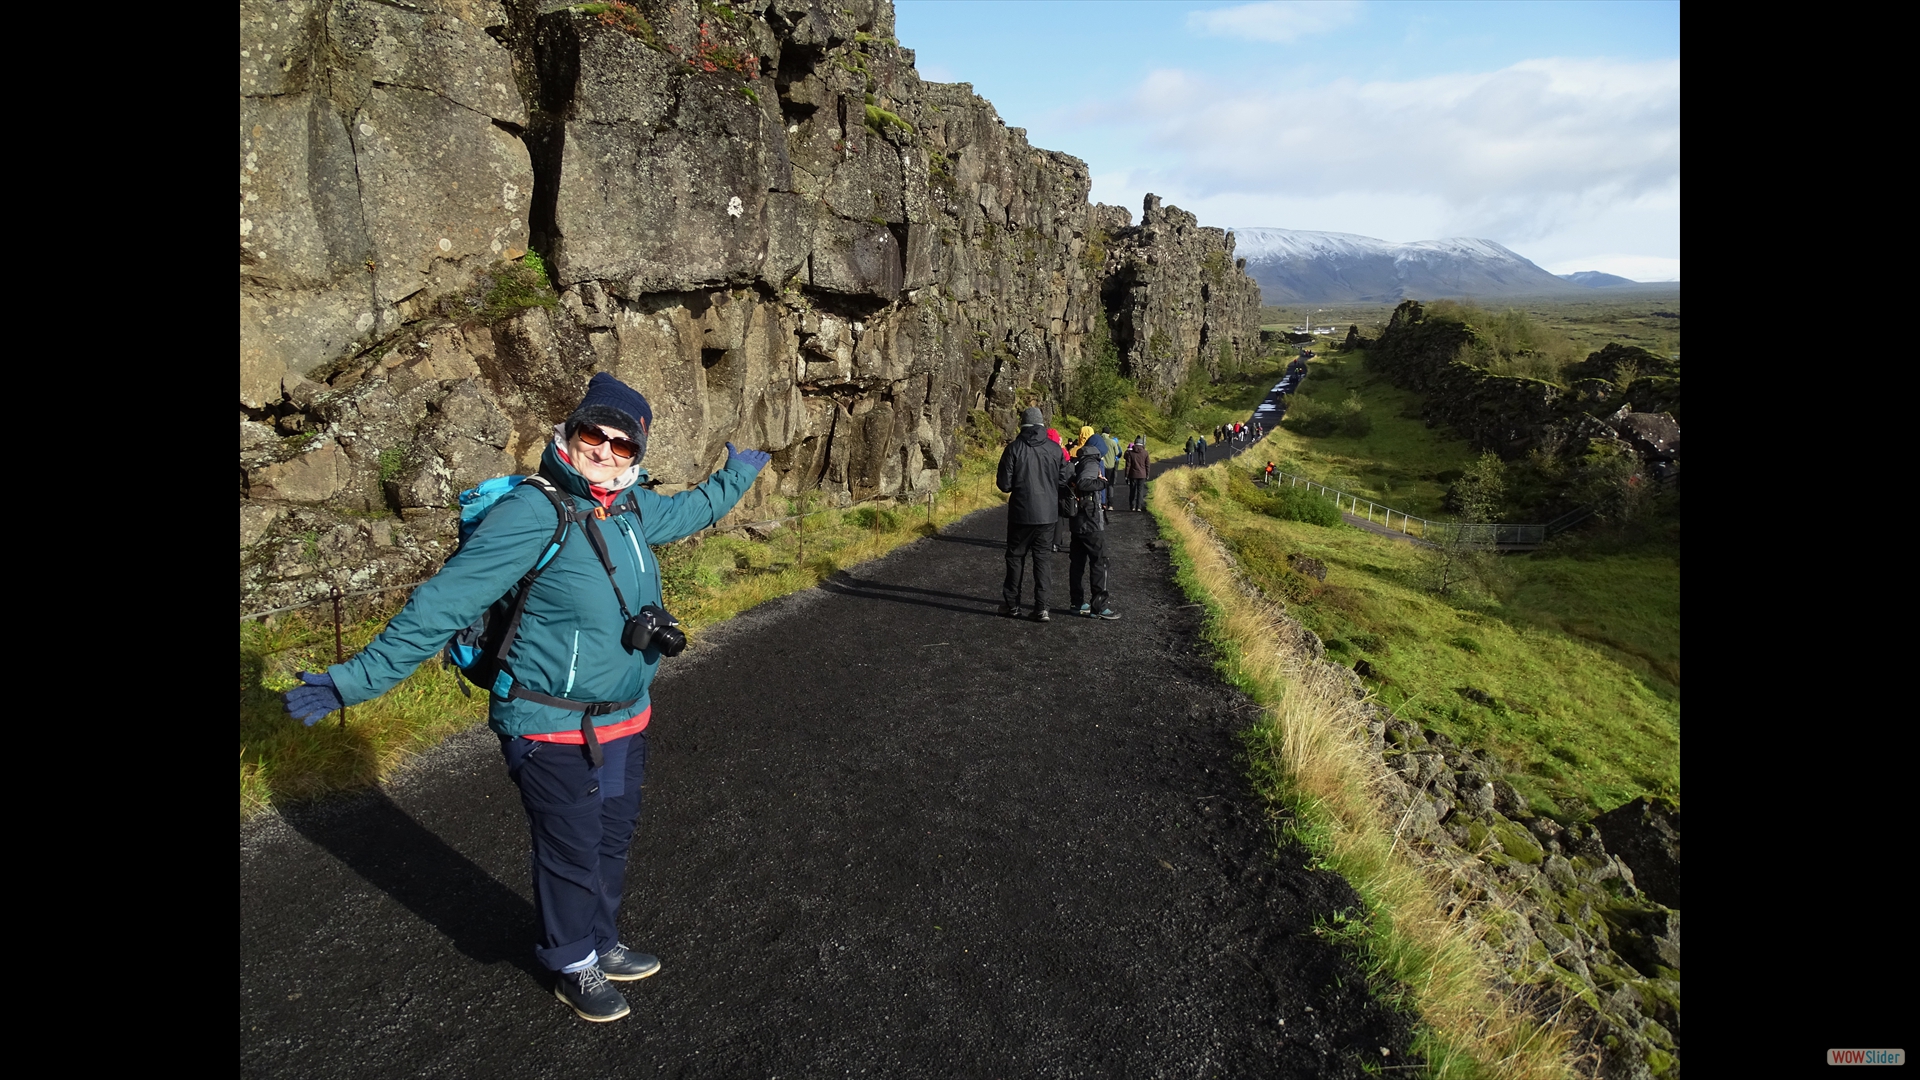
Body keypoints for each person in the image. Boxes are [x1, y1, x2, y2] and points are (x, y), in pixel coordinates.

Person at [282, 373, 771, 1024]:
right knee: (571, 846)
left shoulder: (629, 507)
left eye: (622, 444)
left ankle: (601, 939)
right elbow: (440, 605)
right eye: (593, 433)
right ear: (570, 433)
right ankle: (572, 964)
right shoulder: (533, 512)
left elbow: (691, 512)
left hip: (625, 717)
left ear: (637, 456)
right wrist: (355, 680)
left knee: (612, 837)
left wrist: (735, 475)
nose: (604, 450)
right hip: (549, 724)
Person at [997, 406, 1070, 621]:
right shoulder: (1055, 449)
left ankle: (1012, 605)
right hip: (1047, 514)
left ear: (1023, 424)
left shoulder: (1014, 448)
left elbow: (1004, 484)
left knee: (1015, 558)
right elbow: (1063, 479)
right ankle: (1042, 608)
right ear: (1041, 424)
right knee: (1043, 560)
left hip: (1021, 513)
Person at [1065, 442, 1119, 620]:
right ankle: (1099, 606)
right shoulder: (1091, 463)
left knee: (1077, 563)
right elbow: (1084, 483)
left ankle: (1077, 603)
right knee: (1100, 561)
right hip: (1091, 522)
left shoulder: (1078, 462)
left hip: (1077, 520)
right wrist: (1102, 483)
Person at [1046, 427, 1070, 552]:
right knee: (1059, 516)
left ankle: (1046, 541)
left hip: (1045, 489)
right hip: (1059, 488)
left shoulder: (1043, 450)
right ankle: (1056, 542)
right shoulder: (1062, 452)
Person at [1124, 436, 1150, 511]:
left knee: (1132, 490)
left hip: (1133, 474)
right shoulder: (1145, 453)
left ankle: (1132, 506)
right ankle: (1138, 507)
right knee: (1140, 491)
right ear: (1142, 444)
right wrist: (1147, 474)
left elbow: (1128, 465)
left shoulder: (1130, 453)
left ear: (1135, 443)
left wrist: (1126, 475)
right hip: (1142, 474)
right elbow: (1147, 465)